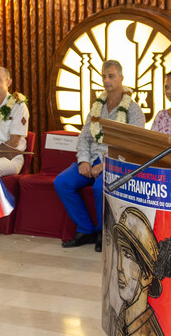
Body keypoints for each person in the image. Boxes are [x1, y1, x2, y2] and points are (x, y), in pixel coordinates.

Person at [54, 60, 145, 252]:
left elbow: (132, 146)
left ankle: (102, 233)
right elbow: (85, 137)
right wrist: (83, 160)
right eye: (104, 76)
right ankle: (85, 229)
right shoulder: (97, 106)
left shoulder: (133, 110)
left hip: (116, 163)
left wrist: (105, 164)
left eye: (111, 76)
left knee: (99, 188)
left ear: (121, 78)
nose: (106, 80)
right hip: (92, 158)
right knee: (62, 182)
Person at [112, 207, 163, 335]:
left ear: (147, 275)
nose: (119, 267)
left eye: (128, 255)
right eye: (119, 252)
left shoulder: (148, 332)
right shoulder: (123, 320)